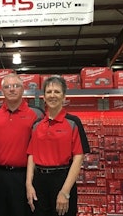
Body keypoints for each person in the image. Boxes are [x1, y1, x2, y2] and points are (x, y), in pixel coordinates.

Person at [26, 76, 90, 216]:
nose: (52, 95)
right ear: (43, 97)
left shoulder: (73, 122)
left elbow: (78, 157)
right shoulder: (37, 125)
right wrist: (29, 185)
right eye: (49, 92)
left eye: (57, 92)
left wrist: (65, 192)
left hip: (62, 180)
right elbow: (31, 155)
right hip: (39, 182)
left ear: (64, 96)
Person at [0, 73, 44, 216]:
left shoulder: (37, 114)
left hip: (25, 177)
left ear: (23, 89)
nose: (12, 89)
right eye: (7, 87)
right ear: (2, 91)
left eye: (16, 86)